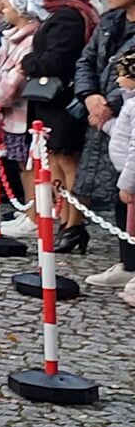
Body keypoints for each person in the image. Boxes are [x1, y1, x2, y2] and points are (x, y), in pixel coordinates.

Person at [22, 0, 96, 252]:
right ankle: (66, 219)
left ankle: (74, 223)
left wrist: (29, 62)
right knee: (55, 160)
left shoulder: (68, 16)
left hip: (61, 99)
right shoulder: (72, 13)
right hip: (55, 100)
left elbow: (58, 58)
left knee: (67, 161)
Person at [76, 0, 135, 284]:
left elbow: (130, 74)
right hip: (104, 115)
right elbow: (86, 60)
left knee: (130, 187)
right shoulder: (109, 22)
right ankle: (127, 262)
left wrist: (108, 103)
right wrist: (88, 95)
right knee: (118, 190)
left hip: (124, 111)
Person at [0, 0, 45, 232]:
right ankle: (29, 212)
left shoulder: (29, 40)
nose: (2, 10)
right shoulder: (14, 36)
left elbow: (14, 80)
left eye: (7, 6)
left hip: (21, 111)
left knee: (28, 166)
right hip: (10, 113)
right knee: (20, 164)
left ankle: (35, 216)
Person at [99, 52, 135, 291]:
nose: (118, 81)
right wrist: (105, 125)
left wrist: (127, 183)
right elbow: (123, 133)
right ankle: (128, 265)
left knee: (131, 227)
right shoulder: (130, 102)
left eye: (122, 76)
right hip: (124, 172)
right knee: (124, 224)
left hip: (129, 177)